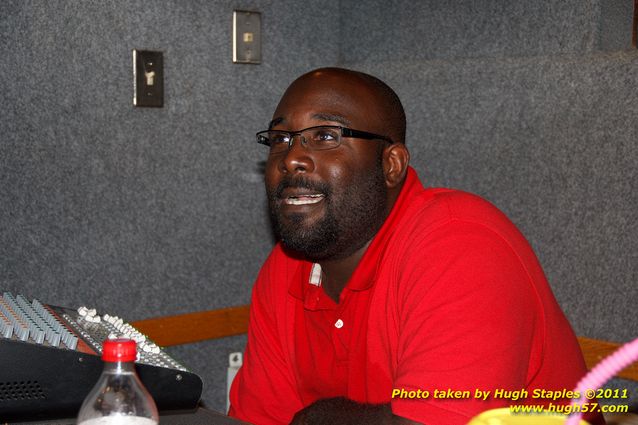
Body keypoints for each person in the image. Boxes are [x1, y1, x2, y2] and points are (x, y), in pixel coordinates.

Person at [228, 67, 594, 425]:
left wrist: (321, 417)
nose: (291, 157)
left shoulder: (461, 245)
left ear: (392, 164)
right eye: (280, 139)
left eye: (325, 136)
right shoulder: (285, 268)